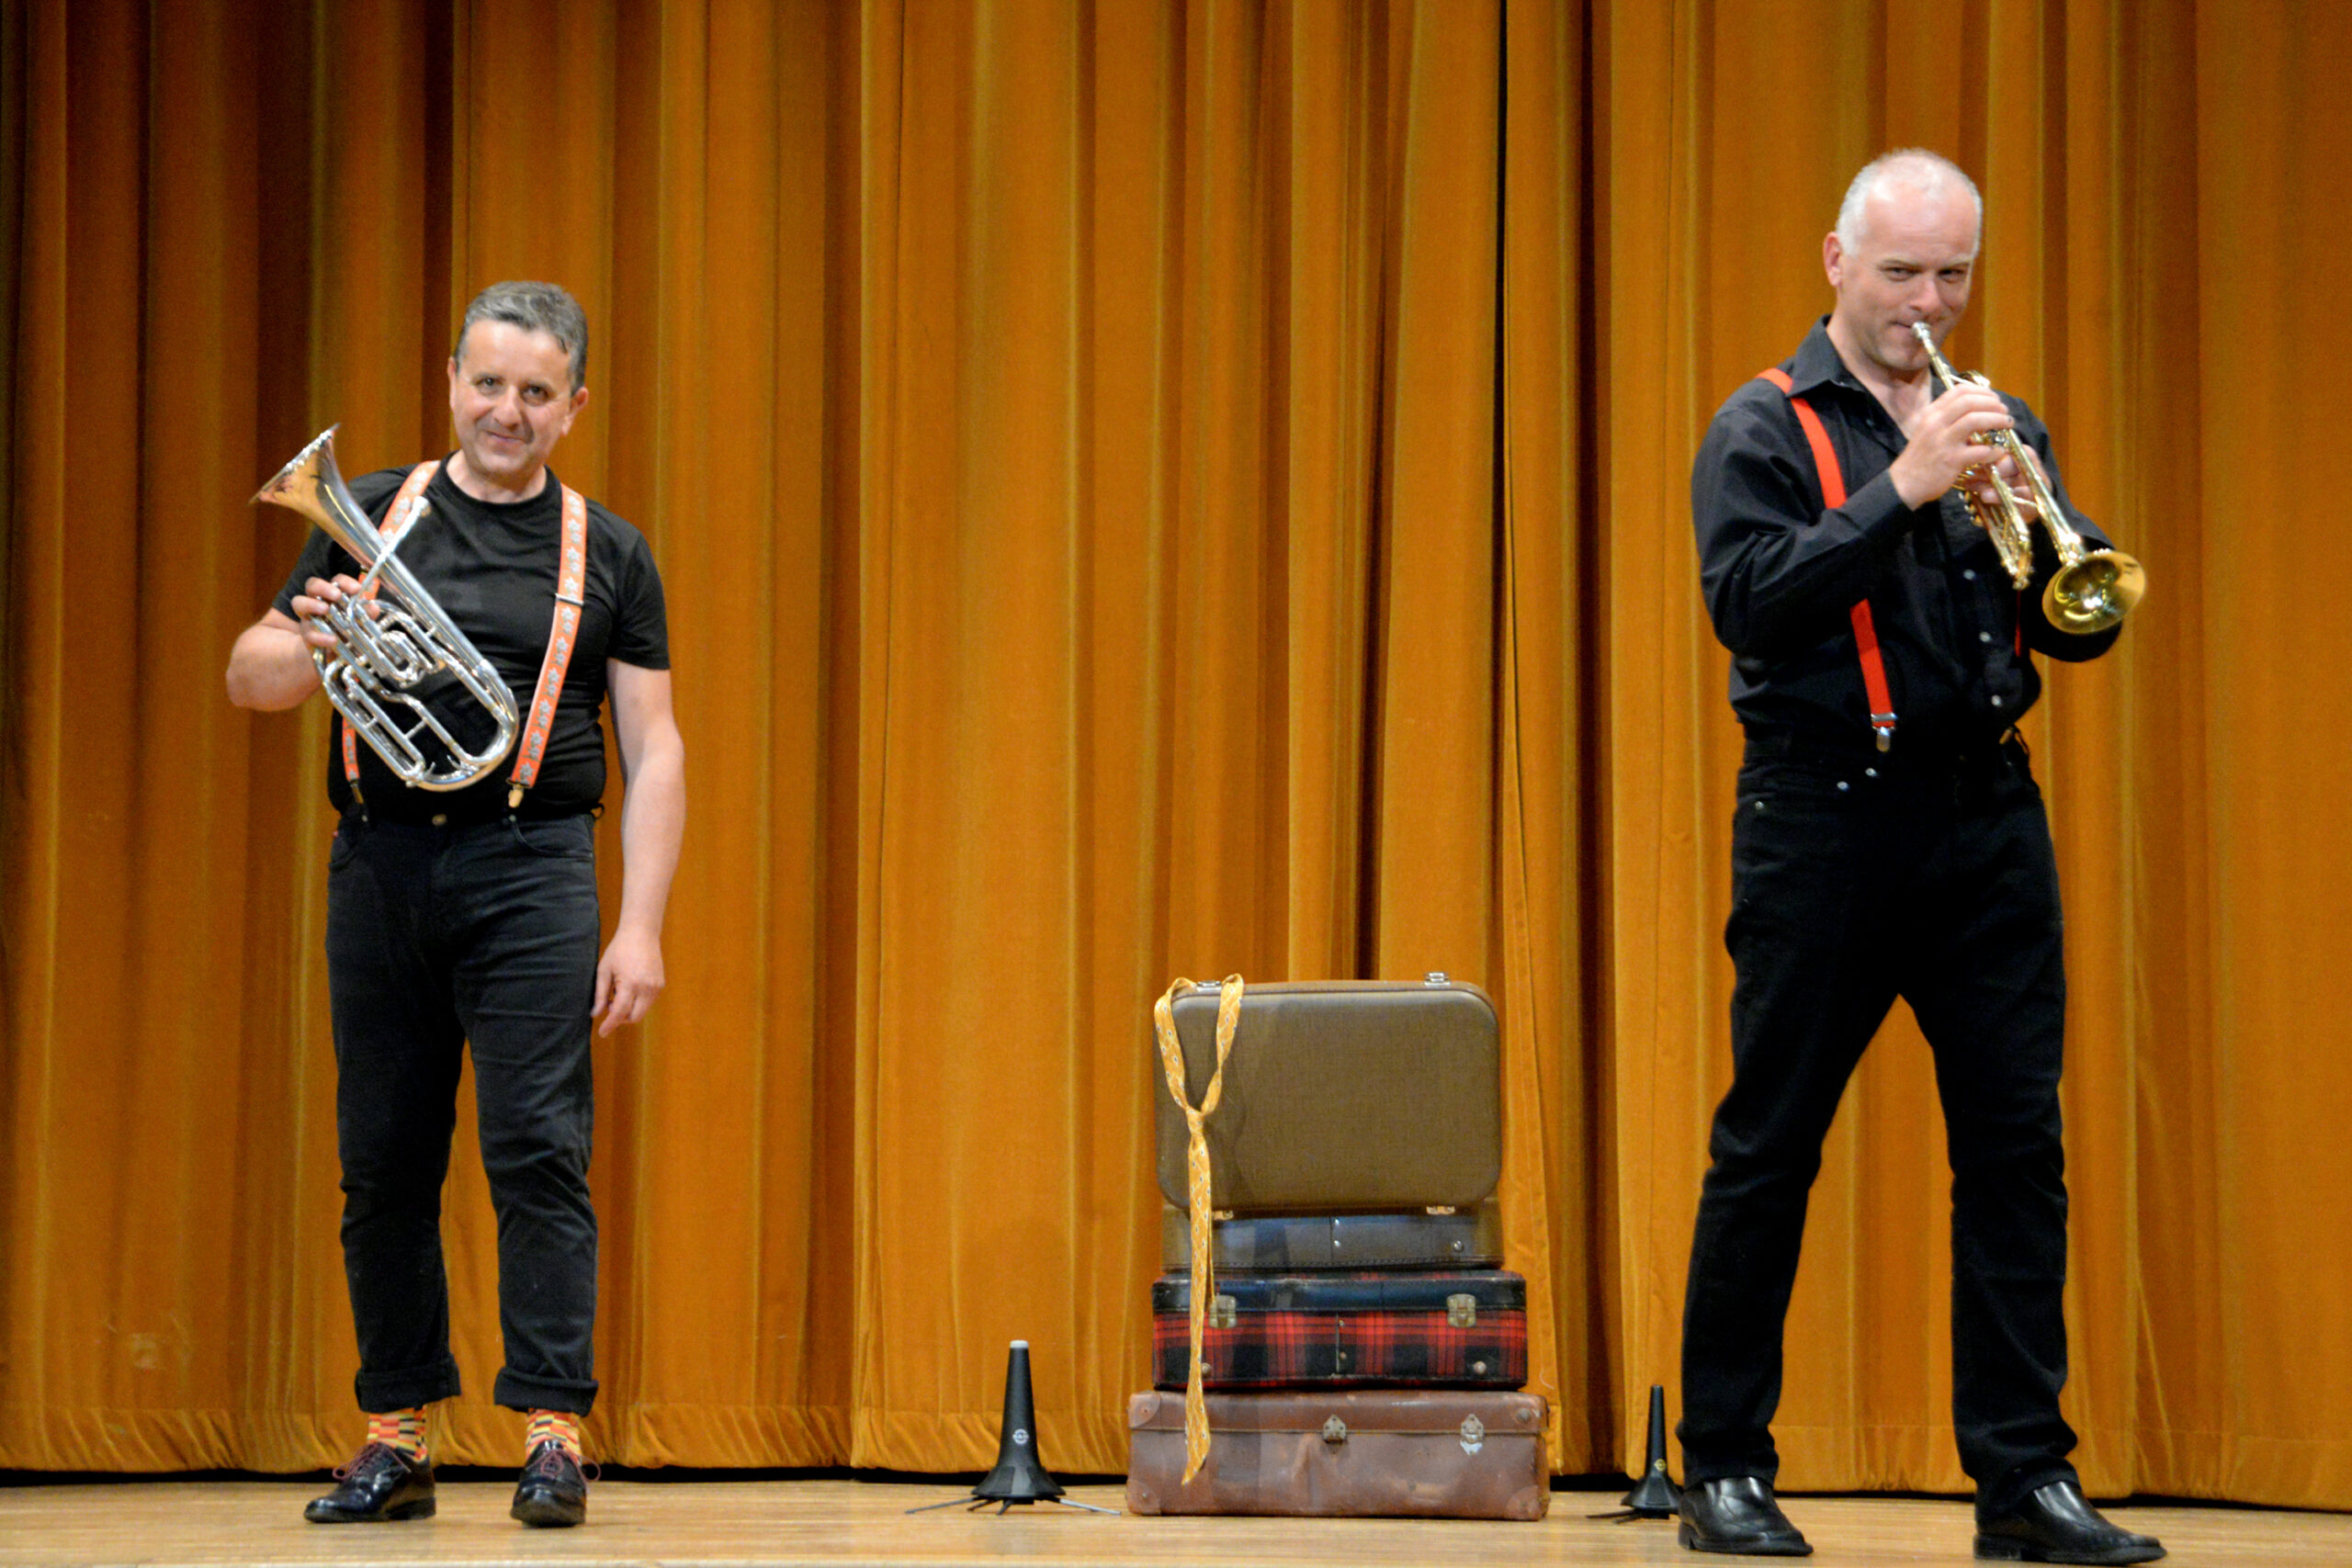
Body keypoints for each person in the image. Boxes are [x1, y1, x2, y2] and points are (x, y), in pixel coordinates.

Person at [1674, 152, 2161, 1564]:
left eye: (1954, 275)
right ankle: (1724, 1471)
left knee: (2019, 1154)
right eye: (1902, 274)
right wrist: (1902, 486)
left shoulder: (1993, 422)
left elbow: (2066, 617)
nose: (1929, 304)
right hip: (1824, 822)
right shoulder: (1760, 429)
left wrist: (2065, 564)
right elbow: (1751, 608)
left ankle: (2027, 1484)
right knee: (1769, 1148)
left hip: (1986, 822)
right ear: (1838, 259)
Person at [226, 281, 684, 1529]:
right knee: (382, 1163)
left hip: (534, 867)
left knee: (539, 1152)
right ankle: (395, 1438)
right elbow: (249, 676)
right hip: (382, 863)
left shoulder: (614, 553)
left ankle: (553, 1434)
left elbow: (656, 747)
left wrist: (639, 923)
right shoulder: (367, 512)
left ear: (574, 406)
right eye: (488, 383)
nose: (507, 411)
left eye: (537, 392)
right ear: (450, 379)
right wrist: (326, 638)